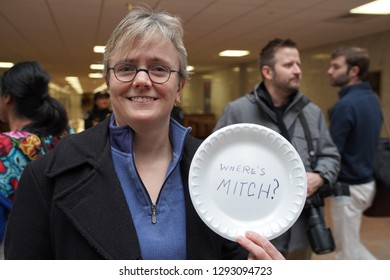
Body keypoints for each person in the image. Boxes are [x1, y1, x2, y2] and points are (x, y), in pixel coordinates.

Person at [4, 6, 283, 260]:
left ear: (180, 88)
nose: (141, 80)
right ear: (109, 81)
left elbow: (231, 258)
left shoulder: (220, 171)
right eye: (125, 68)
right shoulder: (47, 177)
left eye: (159, 69)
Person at [214, 38, 340, 260]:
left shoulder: (312, 113)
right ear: (267, 72)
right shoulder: (238, 112)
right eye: (289, 65)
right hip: (252, 232)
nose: (297, 70)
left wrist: (320, 176)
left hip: (300, 232)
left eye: (298, 64)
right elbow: (215, 163)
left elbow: (330, 155)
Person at [0, 61, 74, 258]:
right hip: (66, 241)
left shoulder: (4, 145)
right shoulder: (66, 135)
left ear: (7, 98)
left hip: (17, 246)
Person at [327, 47, 382, 260]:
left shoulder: (346, 105)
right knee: (351, 247)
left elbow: (332, 152)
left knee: (345, 253)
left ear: (354, 71)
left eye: (336, 66)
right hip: (366, 183)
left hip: (347, 188)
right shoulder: (372, 99)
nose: (329, 71)